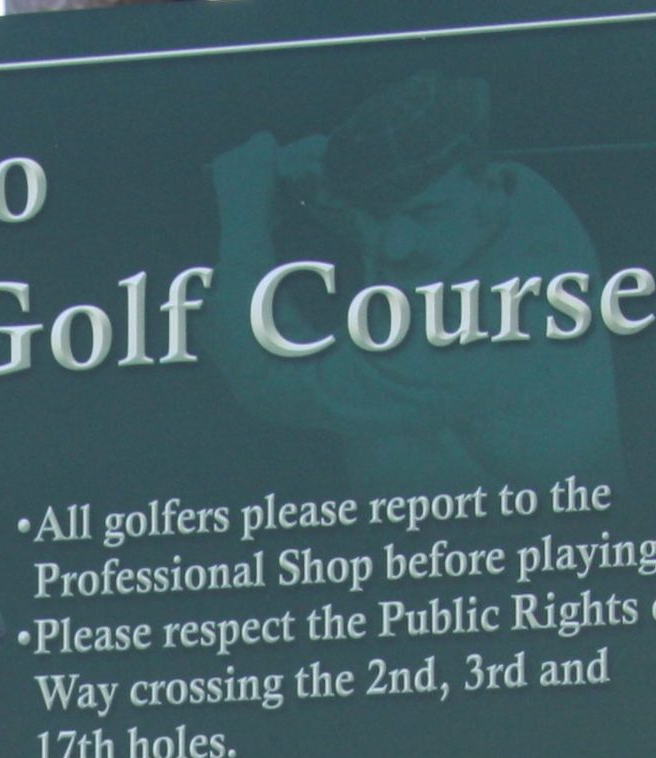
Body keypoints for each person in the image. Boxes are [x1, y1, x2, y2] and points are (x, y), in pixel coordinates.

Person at [208, 71, 622, 495]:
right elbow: (407, 233)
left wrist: (242, 215)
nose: (397, 245)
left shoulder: (457, 343)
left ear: (485, 182)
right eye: (378, 216)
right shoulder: (519, 193)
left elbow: (265, 382)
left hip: (500, 541)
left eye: (427, 214)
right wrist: (333, 189)